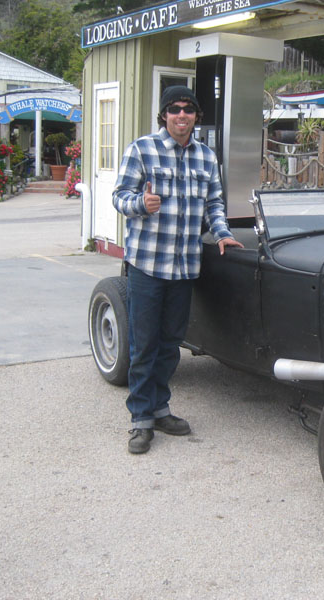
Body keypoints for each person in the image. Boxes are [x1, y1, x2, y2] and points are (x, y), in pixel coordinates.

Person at [113, 85, 244, 454]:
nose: (181, 115)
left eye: (188, 109)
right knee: (144, 344)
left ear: (196, 116)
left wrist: (221, 234)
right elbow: (119, 197)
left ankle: (159, 407)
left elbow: (214, 202)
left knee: (171, 344)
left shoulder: (206, 157)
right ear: (164, 115)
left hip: (185, 265)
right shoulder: (142, 149)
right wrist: (142, 203)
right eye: (174, 109)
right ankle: (140, 420)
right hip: (147, 265)